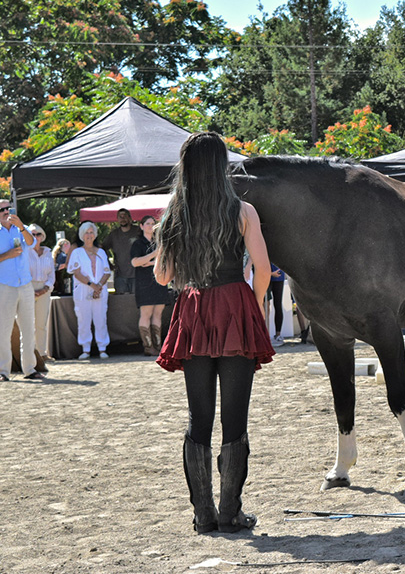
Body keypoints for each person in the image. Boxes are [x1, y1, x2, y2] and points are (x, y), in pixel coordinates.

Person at [154, 132, 274, 534]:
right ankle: (230, 512)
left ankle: (203, 514)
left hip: (195, 310)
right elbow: (262, 269)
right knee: (234, 418)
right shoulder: (243, 210)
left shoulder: (175, 213)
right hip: (234, 306)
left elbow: (163, 275)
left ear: (185, 167)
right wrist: (253, 307)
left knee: (198, 417)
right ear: (221, 165)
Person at [0, 199, 41, 382]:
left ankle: (30, 369)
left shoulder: (21, 229)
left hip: (25, 285)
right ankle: (3, 371)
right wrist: (6, 255)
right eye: (2, 209)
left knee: (29, 329)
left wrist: (21, 226)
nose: (7, 211)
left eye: (9, 208)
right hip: (6, 286)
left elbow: (31, 243)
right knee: (3, 331)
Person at [68, 222, 111, 360]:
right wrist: (92, 285)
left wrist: (99, 286)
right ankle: (85, 349)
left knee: (101, 319)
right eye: (86, 232)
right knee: (83, 319)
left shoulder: (101, 252)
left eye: (91, 232)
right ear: (82, 235)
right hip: (83, 291)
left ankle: (102, 348)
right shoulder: (77, 252)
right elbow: (76, 273)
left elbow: (107, 272)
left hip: (100, 290)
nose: (89, 235)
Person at [130, 215, 169, 356]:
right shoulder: (137, 244)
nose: (150, 226)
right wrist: (154, 254)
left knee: (158, 313)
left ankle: (157, 346)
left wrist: (150, 262)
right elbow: (135, 262)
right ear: (141, 226)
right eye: (147, 223)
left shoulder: (160, 242)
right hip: (144, 283)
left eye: (153, 223)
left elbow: (166, 260)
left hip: (159, 281)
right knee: (146, 314)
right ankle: (148, 347)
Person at [27, 224, 55, 372]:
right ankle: (29, 353)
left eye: (38, 234)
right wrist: (29, 290)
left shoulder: (48, 252)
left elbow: (52, 274)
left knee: (41, 323)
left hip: (44, 289)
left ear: (42, 236)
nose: (35, 237)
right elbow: (22, 272)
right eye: (32, 234)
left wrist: (45, 288)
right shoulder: (25, 252)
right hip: (27, 288)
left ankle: (42, 353)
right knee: (27, 324)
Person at [104, 209, 142, 294]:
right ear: (117, 219)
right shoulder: (113, 235)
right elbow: (102, 249)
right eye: (120, 217)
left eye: (125, 216)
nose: (123, 219)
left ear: (130, 218)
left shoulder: (138, 231)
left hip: (137, 274)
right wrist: (109, 264)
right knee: (121, 302)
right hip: (120, 275)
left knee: (136, 302)